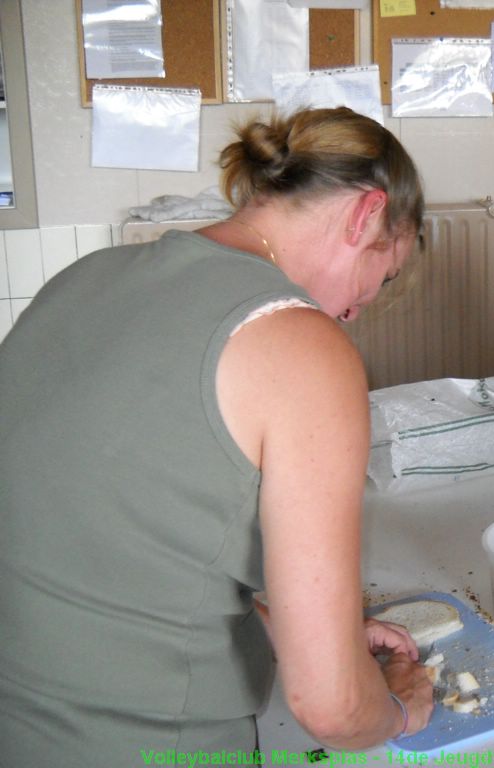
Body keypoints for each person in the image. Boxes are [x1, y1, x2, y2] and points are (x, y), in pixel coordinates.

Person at [0, 108, 434, 763]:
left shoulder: (81, 279)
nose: (353, 308)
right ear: (365, 215)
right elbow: (333, 708)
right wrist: (401, 712)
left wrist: (304, 628)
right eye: (384, 275)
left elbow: (118, 550)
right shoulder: (300, 343)